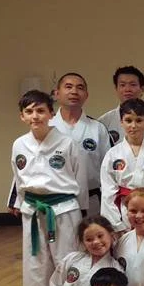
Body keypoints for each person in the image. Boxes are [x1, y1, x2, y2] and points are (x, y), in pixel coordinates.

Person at [9, 89, 87, 286]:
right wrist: (20, 204)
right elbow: (18, 179)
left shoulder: (67, 143)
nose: (35, 116)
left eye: (41, 110)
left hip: (63, 209)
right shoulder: (19, 145)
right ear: (22, 116)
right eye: (29, 111)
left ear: (51, 114)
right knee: (35, 268)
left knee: (67, 264)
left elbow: (80, 179)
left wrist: (82, 212)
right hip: (33, 211)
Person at [99, 98, 144, 234]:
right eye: (128, 120)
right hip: (123, 212)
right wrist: (116, 225)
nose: (133, 125)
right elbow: (108, 194)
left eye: (139, 120)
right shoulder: (112, 154)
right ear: (121, 122)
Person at [49, 72, 110, 216]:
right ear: (56, 94)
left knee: (92, 231)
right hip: (54, 199)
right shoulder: (47, 127)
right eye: (68, 87)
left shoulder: (98, 128)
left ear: (86, 95)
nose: (74, 91)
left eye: (80, 88)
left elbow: (109, 168)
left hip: (92, 198)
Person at [97, 65, 144, 149]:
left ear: (142, 89)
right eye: (122, 85)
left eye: (133, 85)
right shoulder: (104, 122)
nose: (127, 89)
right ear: (116, 89)